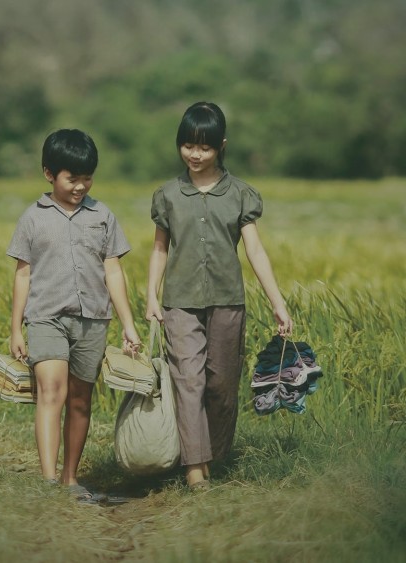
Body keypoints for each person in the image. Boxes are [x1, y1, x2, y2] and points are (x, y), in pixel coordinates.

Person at [144, 101, 293, 490]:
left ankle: (211, 453)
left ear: (221, 146)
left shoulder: (241, 194)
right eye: (188, 145)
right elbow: (160, 248)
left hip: (228, 301)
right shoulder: (168, 195)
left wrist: (278, 303)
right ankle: (195, 469)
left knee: (222, 387)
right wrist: (151, 296)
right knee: (188, 381)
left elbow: (256, 252)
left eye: (205, 147)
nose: (195, 154)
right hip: (180, 302)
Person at [7, 129, 141, 503]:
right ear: (49, 174)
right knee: (52, 390)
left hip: (93, 320)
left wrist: (128, 324)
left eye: (87, 177)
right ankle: (49, 481)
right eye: (72, 177)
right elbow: (23, 274)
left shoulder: (103, 215)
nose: (80, 185)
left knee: (81, 400)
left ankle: (70, 478)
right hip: (45, 318)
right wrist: (16, 328)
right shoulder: (32, 218)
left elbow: (113, 270)